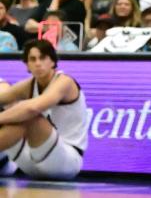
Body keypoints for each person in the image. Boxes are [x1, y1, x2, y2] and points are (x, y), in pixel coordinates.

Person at [0, 39, 87, 179]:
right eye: (32, 59)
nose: (38, 63)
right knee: (11, 113)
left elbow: (32, 108)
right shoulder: (28, 85)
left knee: (28, 115)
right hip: (33, 161)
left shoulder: (65, 81)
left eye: (43, 58)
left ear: (53, 61)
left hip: (67, 160)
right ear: (27, 65)